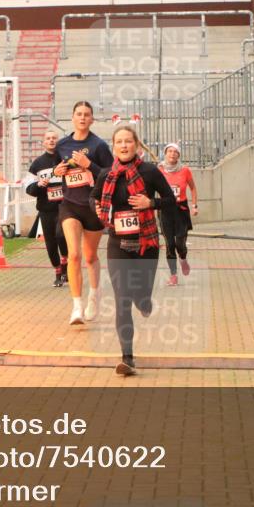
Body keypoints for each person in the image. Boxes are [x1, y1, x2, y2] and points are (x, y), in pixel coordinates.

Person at [91, 125, 176, 376]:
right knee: (122, 300)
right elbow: (93, 197)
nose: (124, 145)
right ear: (114, 147)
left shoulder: (150, 171)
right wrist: (97, 208)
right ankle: (127, 358)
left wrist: (151, 202)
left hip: (146, 244)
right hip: (118, 245)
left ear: (136, 145)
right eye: (119, 142)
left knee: (141, 296)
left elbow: (171, 200)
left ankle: (144, 300)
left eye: (128, 141)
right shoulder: (106, 174)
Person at [55, 101, 114, 325]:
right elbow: (56, 169)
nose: (82, 118)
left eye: (86, 114)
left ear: (92, 119)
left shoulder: (98, 145)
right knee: (74, 255)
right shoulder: (62, 144)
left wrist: (89, 164)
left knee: (89, 256)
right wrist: (56, 171)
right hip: (69, 205)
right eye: (78, 114)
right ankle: (77, 306)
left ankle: (94, 295)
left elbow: (110, 175)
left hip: (92, 205)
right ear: (72, 117)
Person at [24, 129, 68, 287]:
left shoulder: (65, 160)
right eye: (48, 138)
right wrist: (39, 184)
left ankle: (65, 264)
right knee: (50, 243)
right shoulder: (37, 164)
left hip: (64, 207)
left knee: (61, 236)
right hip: (46, 209)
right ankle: (58, 272)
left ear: (58, 141)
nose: (51, 140)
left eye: (54, 138)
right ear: (43, 142)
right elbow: (28, 188)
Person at [157, 142, 198, 286]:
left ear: (178, 155)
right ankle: (173, 275)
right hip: (165, 210)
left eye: (175, 152)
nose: (172, 154)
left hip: (181, 210)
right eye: (169, 151)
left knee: (180, 243)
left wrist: (194, 206)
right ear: (165, 153)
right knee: (169, 244)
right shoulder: (159, 170)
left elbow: (193, 188)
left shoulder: (185, 170)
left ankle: (183, 258)